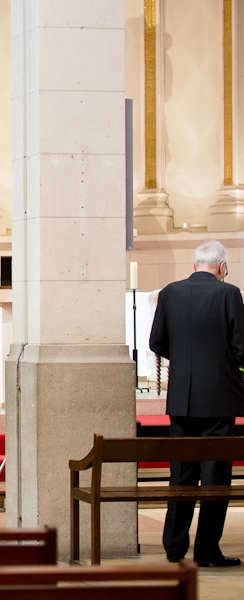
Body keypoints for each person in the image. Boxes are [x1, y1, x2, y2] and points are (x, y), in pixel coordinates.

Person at [149, 240, 244, 567]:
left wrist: (188, 362)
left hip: (181, 401)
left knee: (181, 477)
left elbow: (156, 342)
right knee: (215, 480)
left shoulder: (169, 293)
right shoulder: (229, 294)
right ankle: (207, 550)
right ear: (222, 267)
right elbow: (241, 347)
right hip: (220, 400)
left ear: (195, 265)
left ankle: (174, 548)